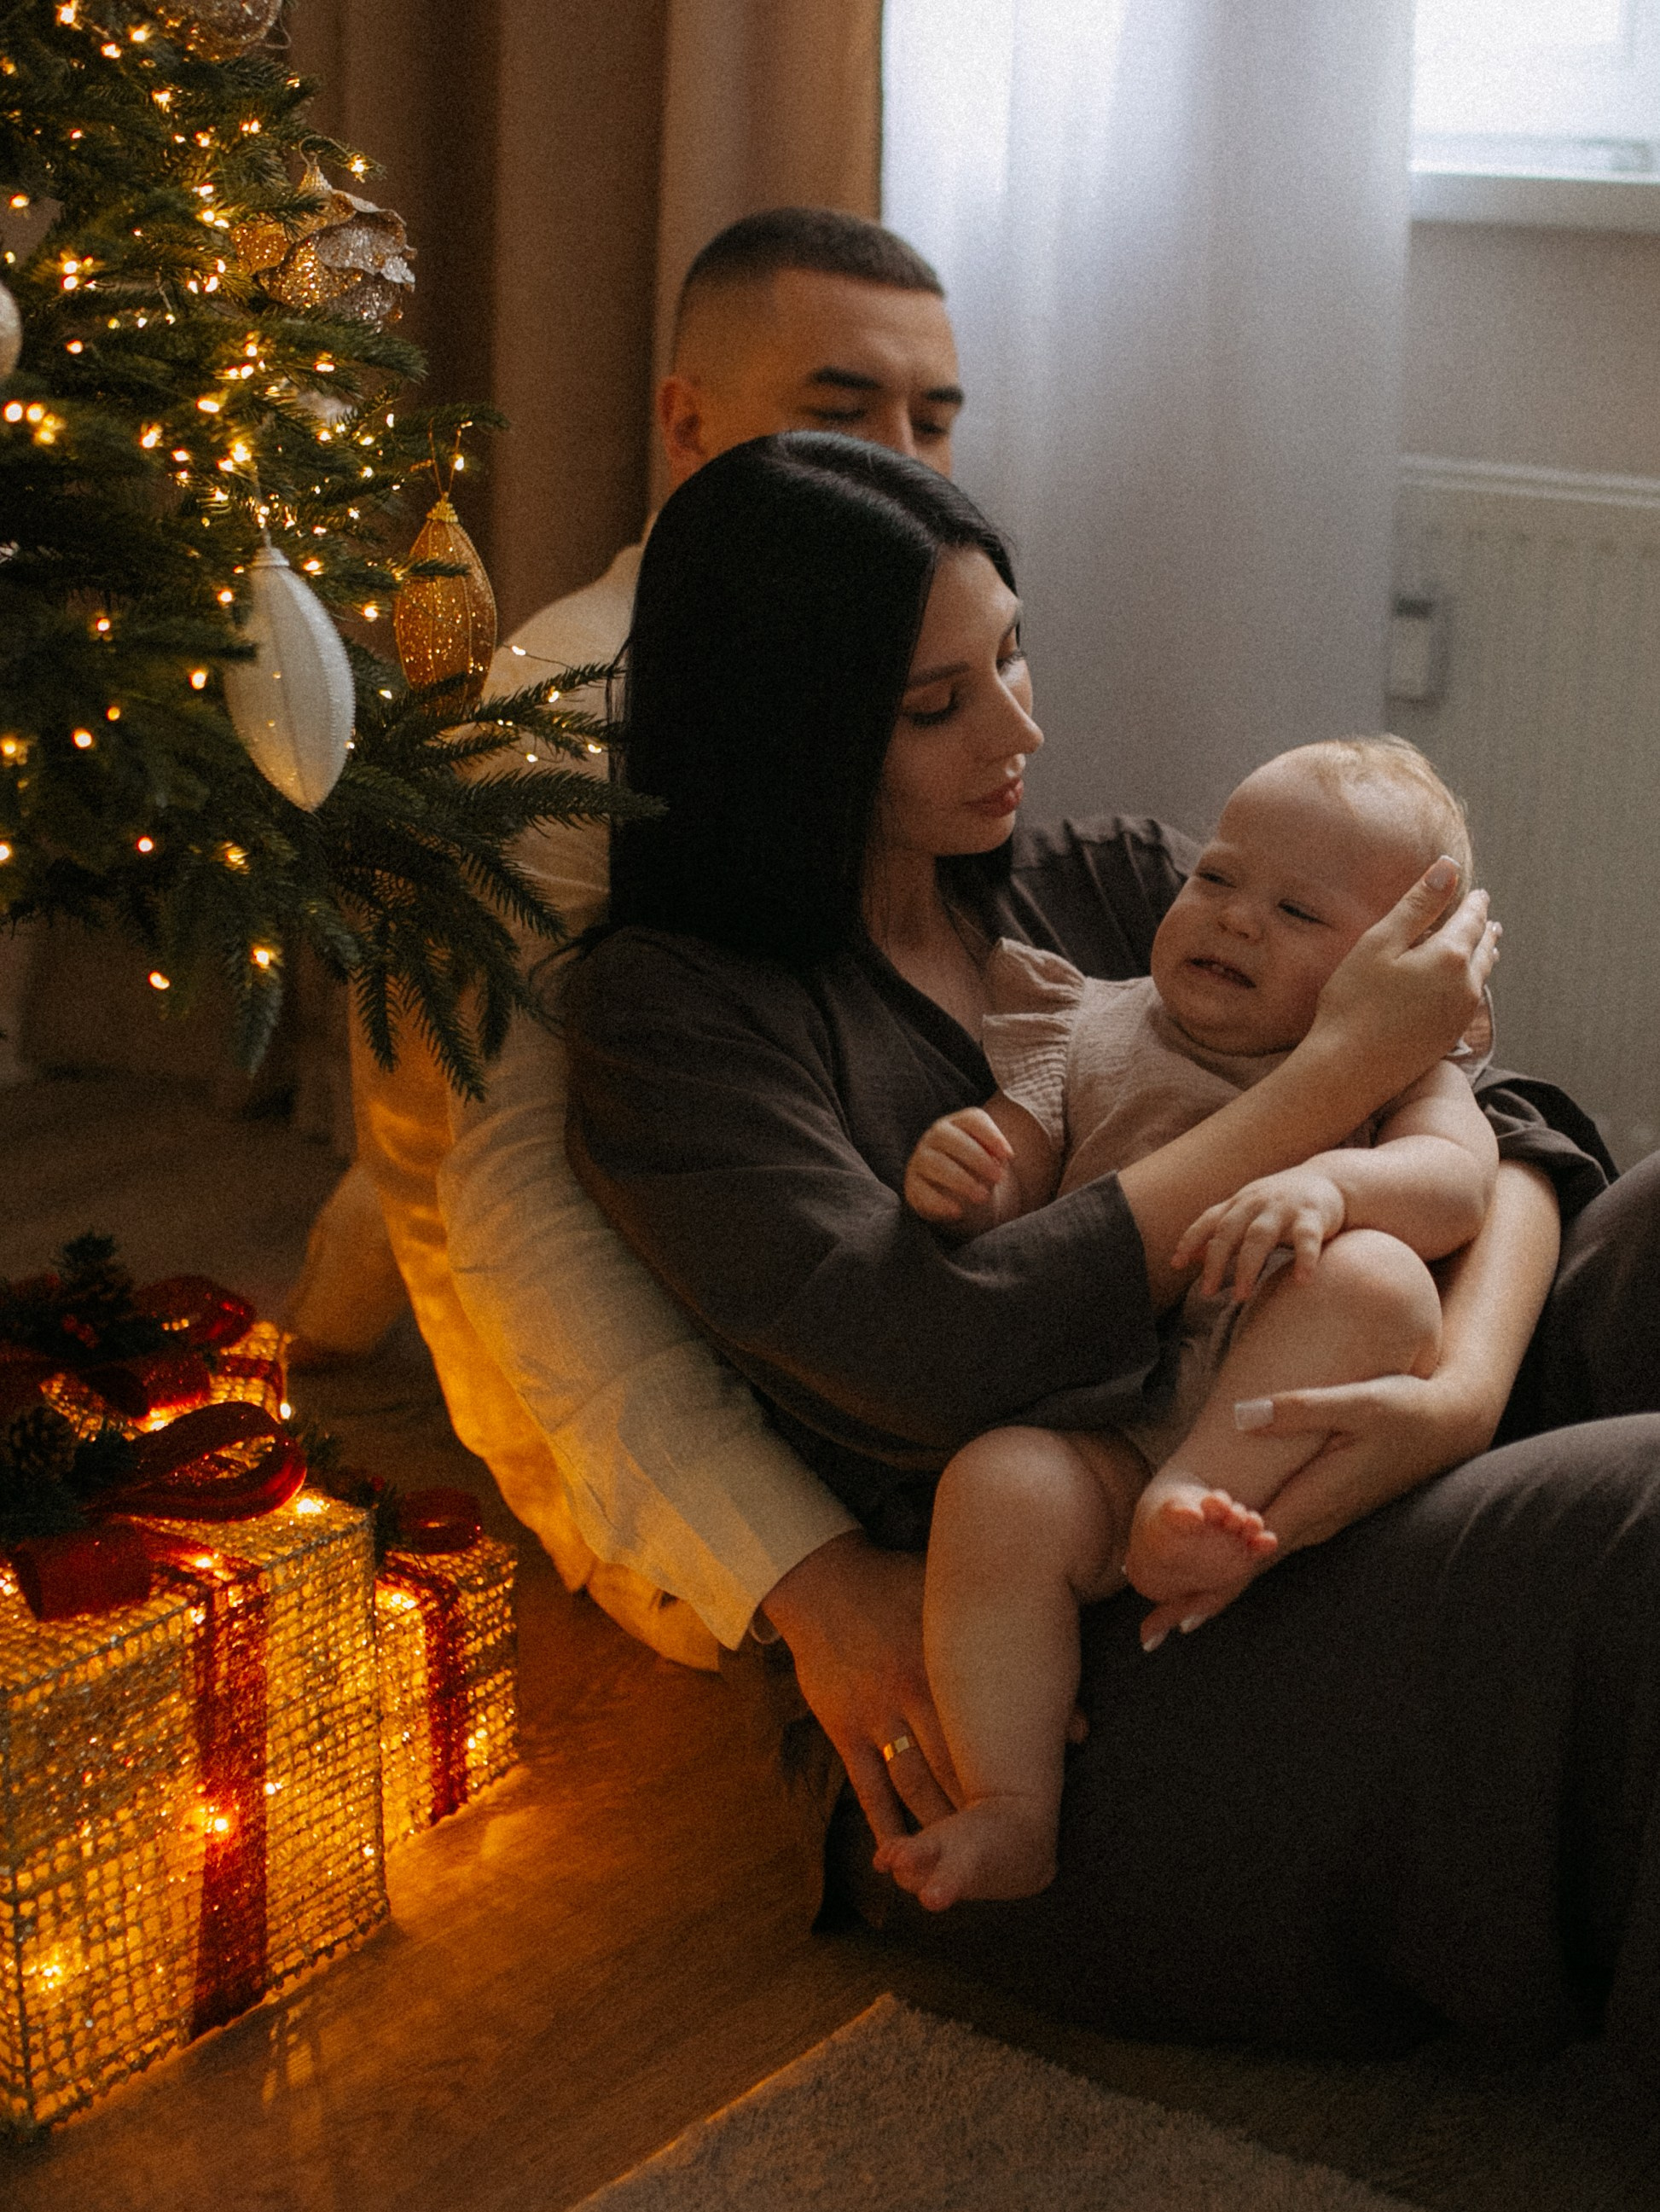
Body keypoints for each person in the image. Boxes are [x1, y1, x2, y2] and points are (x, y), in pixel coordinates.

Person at [560, 430, 1660, 2063]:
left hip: (1334, 1422)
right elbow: (923, 1352)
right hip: (1066, 1655)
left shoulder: (1113, 886)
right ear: (790, 730)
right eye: (938, 703)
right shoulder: (672, 1019)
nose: (1020, 728)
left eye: (1011, 655)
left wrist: (1456, 1395)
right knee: (1637, 1511)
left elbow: (1498, 1131)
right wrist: (1327, 1078)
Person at [282, 208, 966, 1668]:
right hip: (573, 1217)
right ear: (686, 423)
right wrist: (796, 1569)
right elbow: (503, 1182)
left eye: (935, 420)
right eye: (841, 412)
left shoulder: (931, 651)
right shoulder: (569, 722)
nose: (904, 467)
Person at [883, 738, 1500, 1910]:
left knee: (1379, 1280)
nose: (1235, 919)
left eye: (1298, 912)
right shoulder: (1087, 1025)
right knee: (994, 1488)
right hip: (1111, 1430)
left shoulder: (1404, 1075)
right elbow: (1020, 1186)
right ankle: (1010, 1803)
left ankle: (1195, 1500)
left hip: (1270, 1427)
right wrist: (970, 1177)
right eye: (1214, 876)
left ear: (1402, 973)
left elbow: (1459, 1186)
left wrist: (1335, 1185)